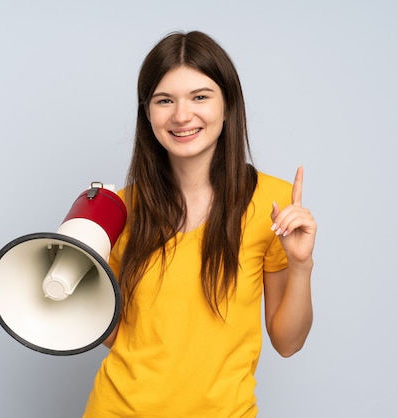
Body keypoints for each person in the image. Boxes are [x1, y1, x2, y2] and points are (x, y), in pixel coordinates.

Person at [84, 30, 316, 417]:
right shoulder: (121, 209)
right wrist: (83, 260)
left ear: (228, 106)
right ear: (147, 113)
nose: (181, 115)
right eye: (164, 100)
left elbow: (287, 343)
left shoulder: (271, 204)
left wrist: (300, 265)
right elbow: (116, 337)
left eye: (200, 97)